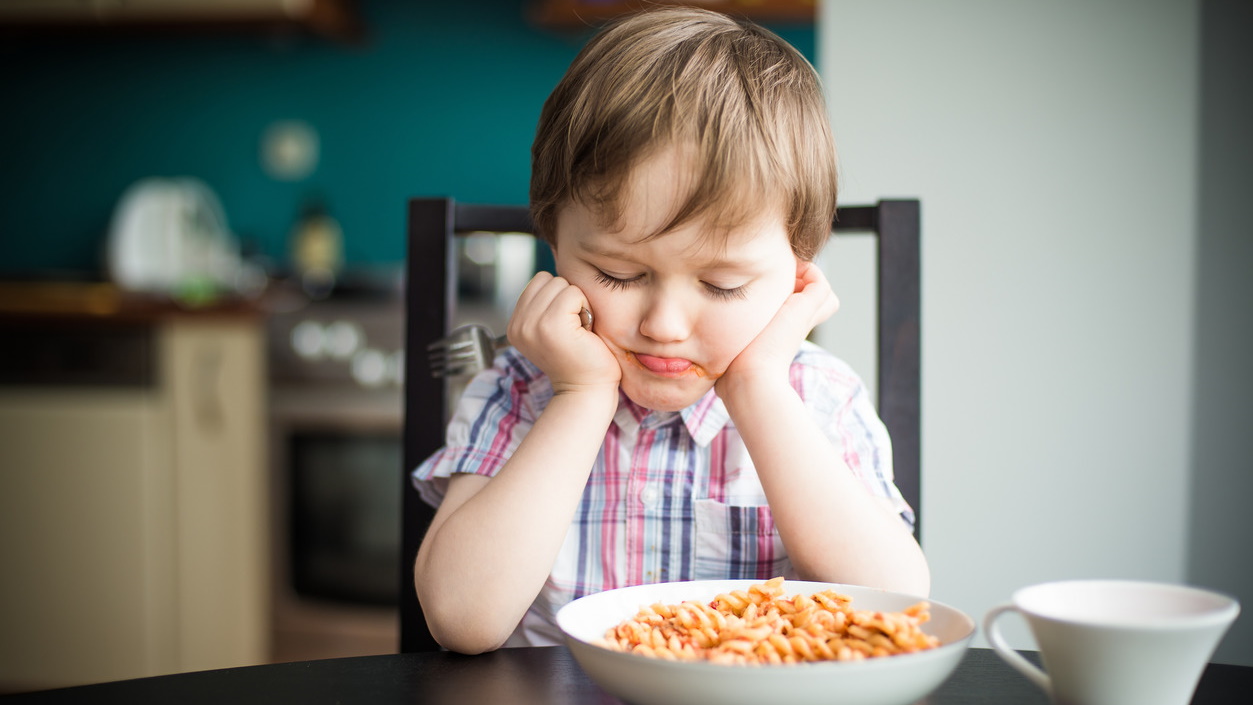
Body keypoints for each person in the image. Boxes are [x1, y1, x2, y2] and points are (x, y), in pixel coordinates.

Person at [411, 6, 929, 655]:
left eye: (721, 286)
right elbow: (462, 618)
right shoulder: (517, 390)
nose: (662, 325)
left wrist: (758, 387)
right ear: (553, 242)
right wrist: (579, 396)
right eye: (618, 273)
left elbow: (898, 601)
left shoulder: (819, 396)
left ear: (799, 272)